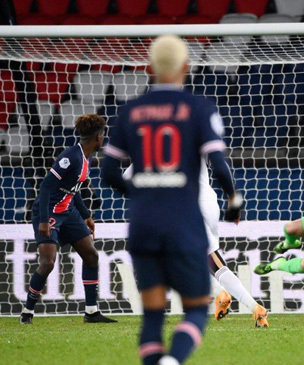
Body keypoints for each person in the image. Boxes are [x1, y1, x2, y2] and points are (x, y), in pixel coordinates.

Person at [101, 35, 245, 365]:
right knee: (196, 308)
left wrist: (142, 195)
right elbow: (219, 166)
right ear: (186, 67)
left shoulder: (130, 112)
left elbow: (109, 173)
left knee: (153, 315)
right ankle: (173, 360)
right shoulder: (199, 109)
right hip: (184, 222)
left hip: (144, 224)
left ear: (150, 69)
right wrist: (234, 199)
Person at [123, 161, 269, 326]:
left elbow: (124, 179)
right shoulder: (196, 135)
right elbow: (220, 165)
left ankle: (220, 293)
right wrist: (232, 197)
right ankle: (255, 307)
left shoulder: (151, 145)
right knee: (212, 262)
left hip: (185, 207)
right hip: (210, 204)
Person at [20, 114, 116, 324]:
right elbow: (46, 186)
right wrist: (44, 219)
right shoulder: (71, 156)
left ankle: (91, 311)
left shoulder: (85, 157)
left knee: (91, 255)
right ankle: (27, 311)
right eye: (103, 135)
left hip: (68, 211)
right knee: (48, 262)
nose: (104, 138)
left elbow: (74, 189)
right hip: (49, 212)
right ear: (99, 137)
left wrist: (86, 216)